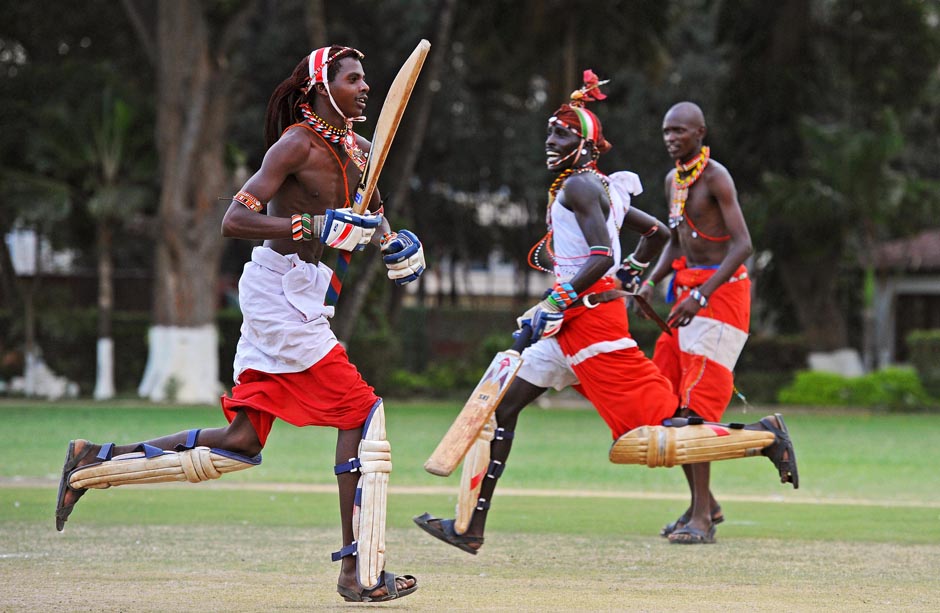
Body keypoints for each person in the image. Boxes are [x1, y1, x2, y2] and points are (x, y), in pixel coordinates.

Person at [54, 45, 424, 603]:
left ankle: (92, 462)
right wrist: (316, 225)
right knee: (362, 411)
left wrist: (394, 244)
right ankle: (359, 572)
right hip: (276, 294)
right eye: (353, 79)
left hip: (302, 297)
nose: (366, 87)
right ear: (321, 89)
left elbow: (368, 217)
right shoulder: (296, 143)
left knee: (240, 444)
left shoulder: (362, 150)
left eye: (366, 79)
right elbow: (235, 218)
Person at [413, 73, 796, 553]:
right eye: (551, 132)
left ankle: (764, 436)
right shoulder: (601, 188)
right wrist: (632, 271)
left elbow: (598, 257)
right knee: (502, 406)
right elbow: (656, 233)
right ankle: (470, 529)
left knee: (664, 433)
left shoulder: (579, 186)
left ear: (586, 144)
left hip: (592, 327)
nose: (550, 141)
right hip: (569, 327)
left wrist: (557, 298)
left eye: (562, 134)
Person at [634, 101, 760, 544]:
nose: (671, 139)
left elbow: (743, 245)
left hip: (720, 299)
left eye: (680, 132)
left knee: (697, 411)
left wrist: (701, 295)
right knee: (670, 406)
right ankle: (702, 506)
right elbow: (676, 241)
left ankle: (703, 518)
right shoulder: (673, 180)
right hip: (686, 296)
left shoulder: (716, 177)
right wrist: (652, 281)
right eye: (666, 131)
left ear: (701, 133)